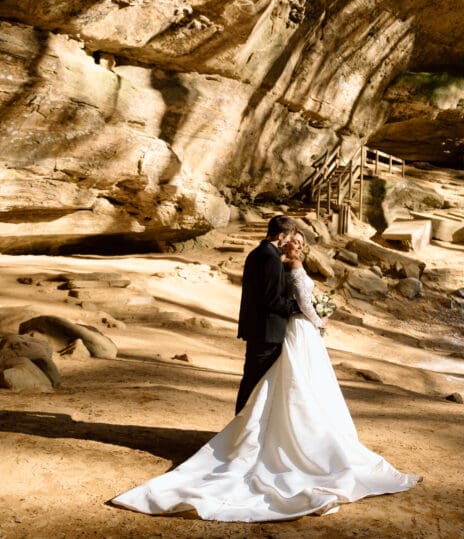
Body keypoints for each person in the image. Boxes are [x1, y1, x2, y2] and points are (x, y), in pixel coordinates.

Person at [110, 221, 420, 521]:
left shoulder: (268, 256)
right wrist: (311, 315)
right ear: (283, 235)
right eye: (292, 238)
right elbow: (276, 299)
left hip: (279, 331)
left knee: (276, 386)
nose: (294, 244)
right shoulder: (273, 259)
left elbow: (278, 295)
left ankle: (247, 433)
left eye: (298, 242)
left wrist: (306, 309)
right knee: (266, 384)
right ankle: (246, 437)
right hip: (276, 331)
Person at [234, 215, 300, 415]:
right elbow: (271, 299)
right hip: (266, 330)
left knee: (253, 380)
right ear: (280, 235)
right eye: (288, 237)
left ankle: (243, 426)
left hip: (259, 328)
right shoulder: (270, 258)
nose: (289, 242)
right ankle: (240, 427)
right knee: (255, 382)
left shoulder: (258, 253)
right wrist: (297, 307)